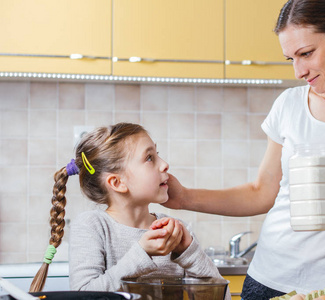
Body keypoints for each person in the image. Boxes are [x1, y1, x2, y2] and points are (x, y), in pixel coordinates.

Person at [164, 0, 325, 299]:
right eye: (290, 58)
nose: (298, 71)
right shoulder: (288, 105)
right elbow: (260, 192)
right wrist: (184, 197)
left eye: (306, 53)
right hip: (267, 280)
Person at [29, 122, 231, 300]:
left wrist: (189, 251)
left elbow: (223, 296)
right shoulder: (93, 226)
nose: (165, 164)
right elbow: (85, 294)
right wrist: (142, 254)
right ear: (117, 182)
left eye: (157, 154)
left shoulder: (176, 232)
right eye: (150, 158)